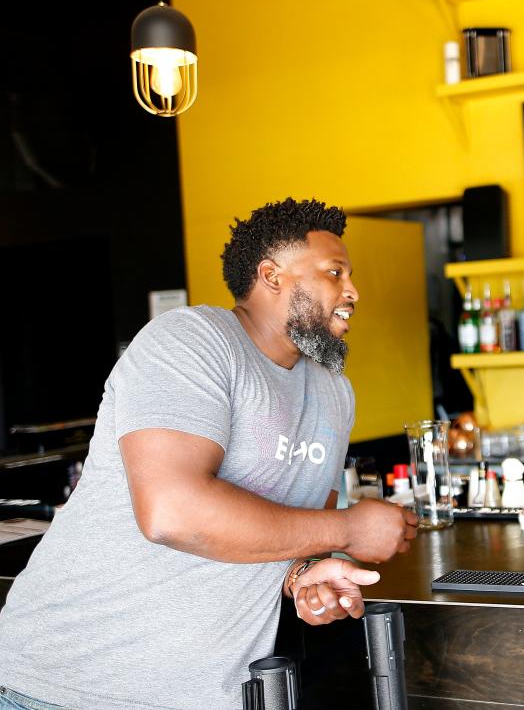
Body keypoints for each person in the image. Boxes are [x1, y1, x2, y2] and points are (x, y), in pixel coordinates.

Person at [0, 198, 417, 710]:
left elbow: (294, 531)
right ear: (271, 276)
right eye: (335, 273)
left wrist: (302, 576)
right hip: (67, 686)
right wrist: (351, 530)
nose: (353, 291)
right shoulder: (191, 341)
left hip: (208, 693)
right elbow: (173, 513)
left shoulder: (334, 393)